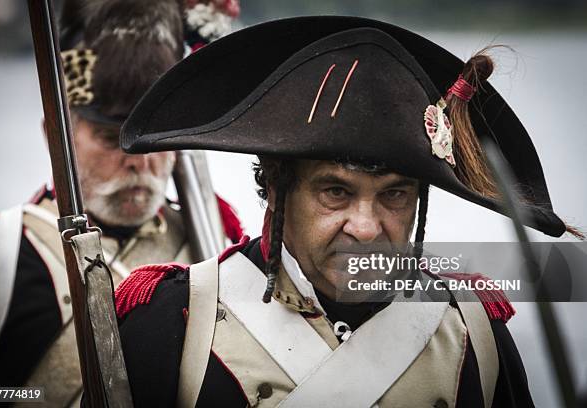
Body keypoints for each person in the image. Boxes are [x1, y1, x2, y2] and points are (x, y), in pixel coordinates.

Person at [117, 16, 579, 407]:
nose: (365, 227)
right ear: (277, 188)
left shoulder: (475, 334)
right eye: (335, 192)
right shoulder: (171, 322)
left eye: (394, 195)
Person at [0, 0, 241, 405]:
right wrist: (29, 398)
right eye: (111, 137)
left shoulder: (218, 240)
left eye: (153, 138)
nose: (138, 162)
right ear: (56, 135)